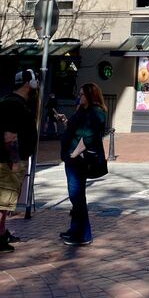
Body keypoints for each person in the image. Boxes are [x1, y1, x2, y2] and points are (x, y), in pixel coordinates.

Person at [0, 69, 38, 253]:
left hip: (6, 159)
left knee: (3, 200)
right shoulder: (15, 105)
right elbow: (9, 137)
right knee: (1, 200)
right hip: (7, 161)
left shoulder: (13, 102)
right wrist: (14, 161)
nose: (36, 83)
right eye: (35, 80)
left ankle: (1, 233)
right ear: (27, 83)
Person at [60, 82, 107, 246]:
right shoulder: (82, 111)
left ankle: (83, 234)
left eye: (82, 94)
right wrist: (66, 121)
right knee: (76, 196)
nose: (78, 97)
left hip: (79, 160)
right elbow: (75, 130)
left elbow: (88, 136)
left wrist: (75, 153)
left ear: (90, 95)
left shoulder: (96, 112)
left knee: (76, 195)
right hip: (71, 158)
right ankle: (76, 230)